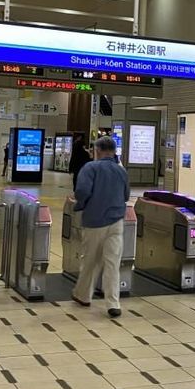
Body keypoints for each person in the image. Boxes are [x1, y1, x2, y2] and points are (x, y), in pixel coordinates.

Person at [72, 135, 130, 318]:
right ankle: (113, 303)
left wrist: (80, 204)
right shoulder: (122, 171)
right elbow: (126, 195)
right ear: (114, 151)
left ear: (97, 151)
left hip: (94, 221)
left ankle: (84, 296)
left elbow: (81, 191)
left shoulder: (91, 168)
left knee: (90, 260)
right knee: (112, 263)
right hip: (116, 222)